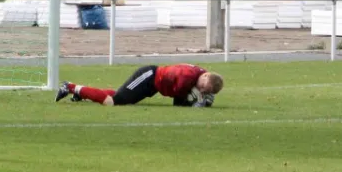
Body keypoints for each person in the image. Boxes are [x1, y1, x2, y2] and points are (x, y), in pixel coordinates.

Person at [55, 63, 224, 107]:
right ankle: (70, 86)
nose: (201, 89)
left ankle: (82, 93)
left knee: (120, 97)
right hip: (148, 76)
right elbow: (178, 98)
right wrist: (193, 101)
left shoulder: (200, 75)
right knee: (113, 101)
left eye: (205, 90)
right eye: (203, 86)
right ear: (206, 75)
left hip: (152, 84)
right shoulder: (189, 76)